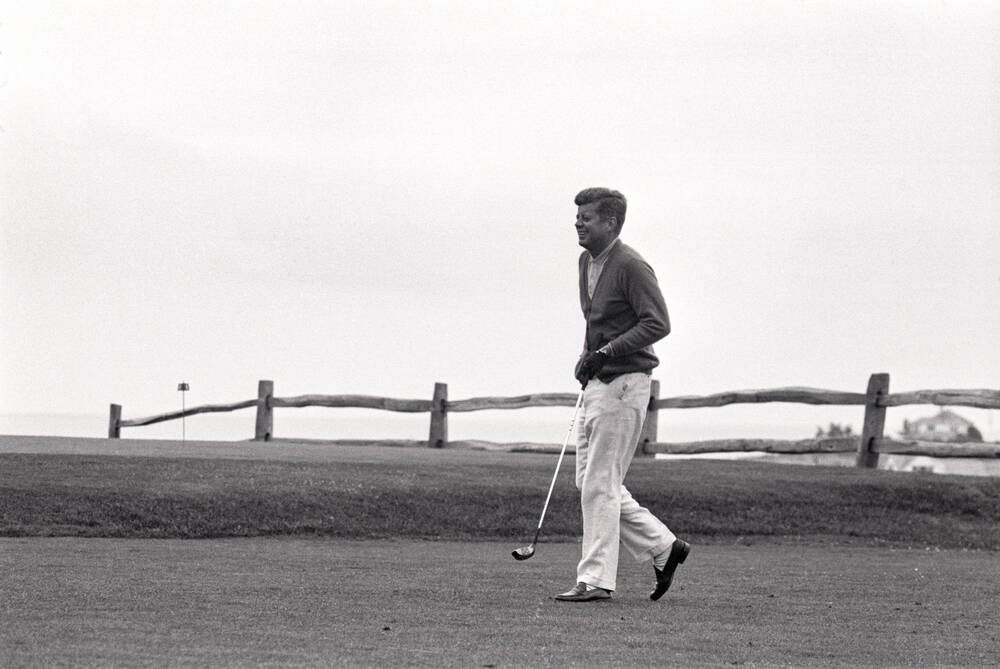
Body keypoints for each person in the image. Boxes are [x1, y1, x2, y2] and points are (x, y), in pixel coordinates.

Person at [554, 187, 690, 603]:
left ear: (611, 222)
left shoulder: (631, 265)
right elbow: (596, 322)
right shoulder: (585, 262)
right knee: (590, 481)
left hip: (627, 383)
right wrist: (586, 356)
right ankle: (664, 547)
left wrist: (607, 352)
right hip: (599, 383)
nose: (578, 222)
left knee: (599, 484)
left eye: (587, 217)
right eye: (577, 216)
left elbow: (658, 323)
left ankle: (595, 580)